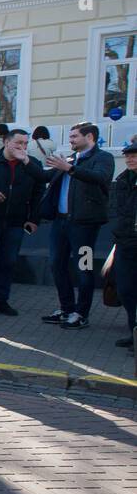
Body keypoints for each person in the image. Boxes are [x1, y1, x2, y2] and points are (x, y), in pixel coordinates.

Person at [41, 122, 115, 330]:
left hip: (85, 225)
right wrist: (25, 160)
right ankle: (66, 309)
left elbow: (99, 178)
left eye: (74, 136)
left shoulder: (103, 158)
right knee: (56, 264)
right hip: (61, 222)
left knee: (85, 267)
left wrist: (70, 169)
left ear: (89, 136)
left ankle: (81, 313)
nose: (71, 140)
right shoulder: (71, 160)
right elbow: (44, 176)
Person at [0, 128, 49, 316]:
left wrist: (33, 219)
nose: (22, 147)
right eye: (18, 143)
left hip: (16, 221)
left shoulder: (32, 164)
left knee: (9, 262)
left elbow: (39, 193)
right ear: (7, 143)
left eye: (25, 143)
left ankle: (1, 301)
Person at [109, 142, 137, 353]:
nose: (130, 159)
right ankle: (133, 331)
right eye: (128, 156)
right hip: (125, 241)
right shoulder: (122, 180)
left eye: (134, 156)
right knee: (126, 289)